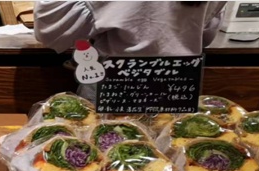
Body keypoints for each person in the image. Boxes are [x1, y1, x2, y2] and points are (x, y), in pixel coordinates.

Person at [35, 1, 226, 99]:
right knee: (172, 155)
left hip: (116, 90)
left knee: (106, 155)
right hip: (178, 90)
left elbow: (48, 30)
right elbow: (206, 35)